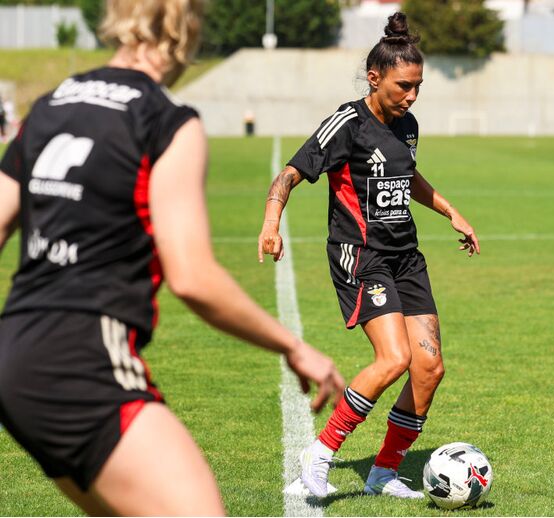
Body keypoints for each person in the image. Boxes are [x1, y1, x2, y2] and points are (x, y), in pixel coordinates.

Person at [0, 0, 345, 515]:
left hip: (13, 354)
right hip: (85, 359)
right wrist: (292, 346)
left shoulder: (49, 105)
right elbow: (193, 278)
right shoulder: (166, 121)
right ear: (185, 29)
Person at [257, 12, 480, 500]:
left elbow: (407, 177)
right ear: (374, 78)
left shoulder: (408, 125)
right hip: (361, 256)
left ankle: (383, 472)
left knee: (429, 368)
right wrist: (272, 222)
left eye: (418, 86)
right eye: (404, 86)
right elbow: (291, 173)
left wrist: (450, 211)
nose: (412, 96)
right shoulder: (347, 123)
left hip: (407, 257)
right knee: (395, 357)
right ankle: (319, 454)